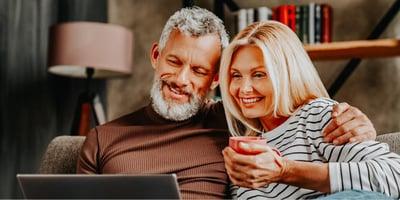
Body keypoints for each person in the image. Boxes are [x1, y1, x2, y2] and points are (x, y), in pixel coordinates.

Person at [77, 7, 378, 199]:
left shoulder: (238, 120)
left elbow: (294, 113)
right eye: (174, 61)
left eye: (198, 71)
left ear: (216, 80)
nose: (182, 79)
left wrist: (356, 123)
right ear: (156, 56)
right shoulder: (102, 139)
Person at [219, 21, 400, 199]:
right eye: (236, 75)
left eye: (259, 75)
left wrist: (284, 170)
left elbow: (393, 175)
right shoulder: (240, 145)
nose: (244, 89)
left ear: (287, 75)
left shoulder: (318, 116)